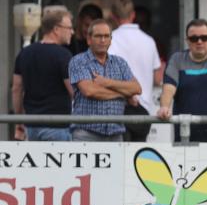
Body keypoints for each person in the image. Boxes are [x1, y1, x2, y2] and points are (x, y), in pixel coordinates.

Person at [69, 19, 141, 141]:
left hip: (116, 134)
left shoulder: (120, 62)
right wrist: (123, 93)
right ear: (89, 39)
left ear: (110, 40)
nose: (103, 40)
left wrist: (107, 82)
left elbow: (137, 88)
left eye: (106, 36)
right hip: (86, 134)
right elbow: (90, 91)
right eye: (98, 36)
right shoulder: (78, 61)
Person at [12, 9, 75, 141]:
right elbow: (74, 91)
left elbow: (16, 89)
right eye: (69, 28)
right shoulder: (63, 55)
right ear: (56, 29)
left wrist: (19, 120)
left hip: (31, 127)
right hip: (57, 127)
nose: (72, 32)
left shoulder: (24, 53)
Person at [109, 0, 163, 141]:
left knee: (120, 152)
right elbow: (158, 79)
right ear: (133, 15)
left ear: (113, 16)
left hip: (118, 108)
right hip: (143, 109)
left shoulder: (110, 39)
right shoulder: (149, 41)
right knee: (138, 153)